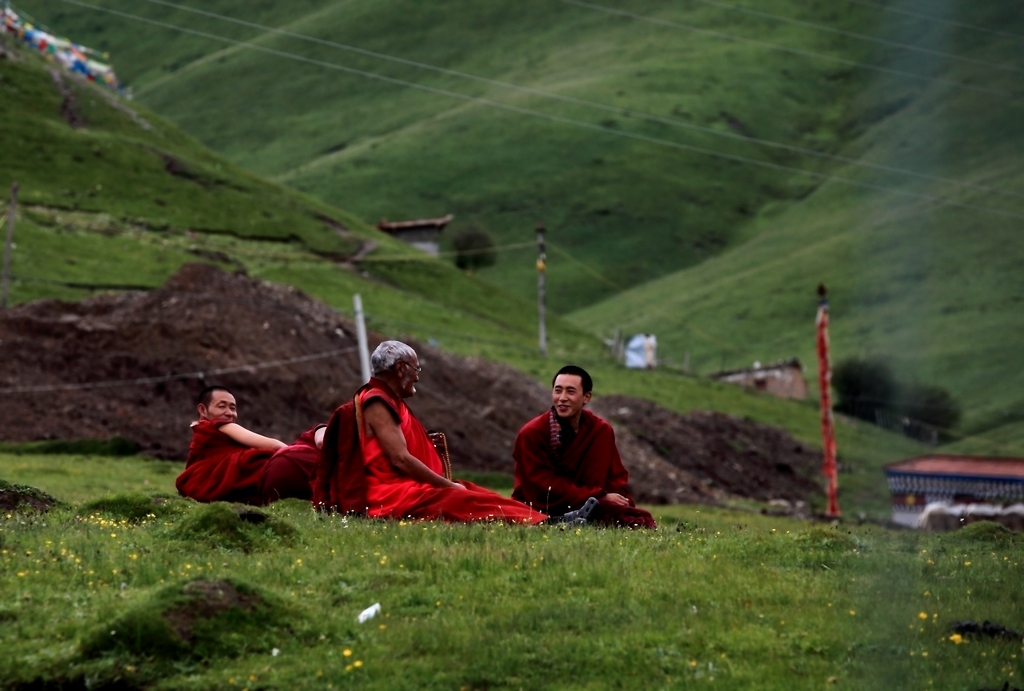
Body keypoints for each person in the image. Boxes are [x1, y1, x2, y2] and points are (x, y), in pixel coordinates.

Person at [313, 341, 597, 525]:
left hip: (406, 489)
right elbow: (399, 459)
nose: (418, 375)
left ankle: (550, 519)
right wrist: (445, 485)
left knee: (472, 490)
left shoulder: (391, 401)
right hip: (390, 496)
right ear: (400, 369)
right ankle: (549, 524)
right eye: (415, 368)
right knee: (460, 498)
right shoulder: (377, 401)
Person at [512, 365, 657, 529]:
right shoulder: (532, 433)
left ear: (586, 397)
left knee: (638, 517)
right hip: (544, 505)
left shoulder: (601, 431)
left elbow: (615, 477)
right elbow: (539, 484)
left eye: (570, 392)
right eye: (558, 391)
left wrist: (618, 499)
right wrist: (597, 497)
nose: (562, 398)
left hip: (592, 503)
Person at [176, 385, 287, 504]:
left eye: (233, 408)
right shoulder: (220, 425)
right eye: (222, 406)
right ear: (203, 410)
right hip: (220, 481)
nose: (229, 413)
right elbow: (272, 445)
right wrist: (297, 454)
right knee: (265, 461)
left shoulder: (200, 429)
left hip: (198, 486)